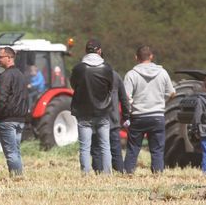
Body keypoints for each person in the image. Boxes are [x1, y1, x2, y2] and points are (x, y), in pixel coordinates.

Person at [123, 45, 175, 174]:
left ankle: (128, 172)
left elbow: (126, 97)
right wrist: (163, 102)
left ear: (136, 58)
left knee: (133, 148)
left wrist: (129, 111)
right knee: (157, 149)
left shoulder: (131, 75)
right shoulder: (162, 73)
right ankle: (157, 174)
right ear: (151, 56)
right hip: (157, 115)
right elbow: (172, 93)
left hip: (138, 116)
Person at [70, 39, 114, 174]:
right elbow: (110, 87)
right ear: (99, 51)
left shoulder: (78, 68)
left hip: (83, 112)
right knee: (105, 146)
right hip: (103, 112)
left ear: (85, 51)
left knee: (84, 147)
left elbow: (73, 85)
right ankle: (107, 173)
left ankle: (86, 173)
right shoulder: (106, 68)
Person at [0, 47, 29, 176]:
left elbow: (0, 99)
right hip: (20, 119)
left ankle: (16, 177)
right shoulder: (21, 75)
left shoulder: (6, 76)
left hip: (7, 120)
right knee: (16, 151)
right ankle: (18, 175)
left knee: (11, 152)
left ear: (9, 58)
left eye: (0, 57)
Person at [92, 68, 130, 173]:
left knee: (97, 148)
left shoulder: (89, 75)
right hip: (113, 119)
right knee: (115, 148)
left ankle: (98, 172)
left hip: (96, 118)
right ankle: (119, 171)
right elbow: (124, 99)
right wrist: (126, 116)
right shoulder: (115, 75)